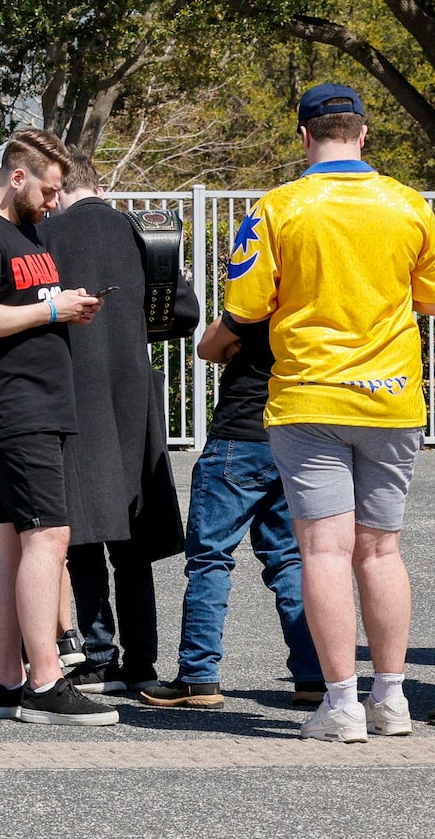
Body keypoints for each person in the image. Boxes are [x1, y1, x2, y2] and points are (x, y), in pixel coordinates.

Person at [220, 81, 435, 742]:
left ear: (304, 137)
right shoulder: (408, 206)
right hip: (392, 398)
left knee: (323, 550)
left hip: (309, 396)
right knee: (381, 552)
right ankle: (393, 698)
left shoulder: (278, 207)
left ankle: (343, 705)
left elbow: (247, 307)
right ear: (364, 133)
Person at [0, 127, 114, 725]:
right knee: (49, 537)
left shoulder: (26, 232)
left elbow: (17, 305)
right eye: (48, 189)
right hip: (17, 408)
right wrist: (52, 308)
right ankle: (45, 681)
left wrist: (64, 304)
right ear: (17, 177)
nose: (55, 201)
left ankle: (6, 682)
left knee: (14, 539)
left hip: (36, 404)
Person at [44, 149, 191, 694]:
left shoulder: (48, 236)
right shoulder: (143, 231)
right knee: (133, 538)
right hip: (133, 393)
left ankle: (99, 653)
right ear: (99, 184)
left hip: (73, 392)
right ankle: (143, 661)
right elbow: (182, 313)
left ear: (58, 188)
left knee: (81, 532)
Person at [149, 276, 322, 709]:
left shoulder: (257, 297)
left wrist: (230, 343)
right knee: (289, 559)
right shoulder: (316, 301)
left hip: (239, 436)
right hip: (291, 435)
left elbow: (208, 347)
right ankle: (313, 676)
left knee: (210, 557)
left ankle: (198, 677)